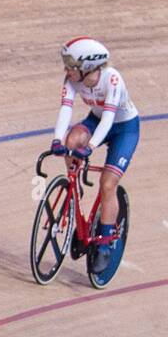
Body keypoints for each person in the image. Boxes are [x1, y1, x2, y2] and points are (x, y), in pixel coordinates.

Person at [49, 37, 141, 276]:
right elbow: (66, 109)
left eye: (70, 64)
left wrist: (90, 146)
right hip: (96, 120)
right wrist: (57, 140)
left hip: (124, 129)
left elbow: (109, 119)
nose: (66, 69)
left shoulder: (112, 79)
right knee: (71, 141)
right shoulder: (72, 79)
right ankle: (73, 191)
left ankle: (104, 244)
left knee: (107, 184)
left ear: (88, 66)